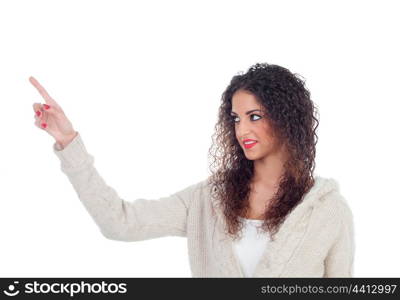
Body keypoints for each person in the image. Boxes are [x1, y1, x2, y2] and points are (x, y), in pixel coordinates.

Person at [30, 63, 355, 277]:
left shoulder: (328, 211)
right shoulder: (208, 200)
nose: (242, 130)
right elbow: (120, 223)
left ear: (286, 118)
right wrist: (68, 142)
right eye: (236, 118)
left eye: (254, 116)